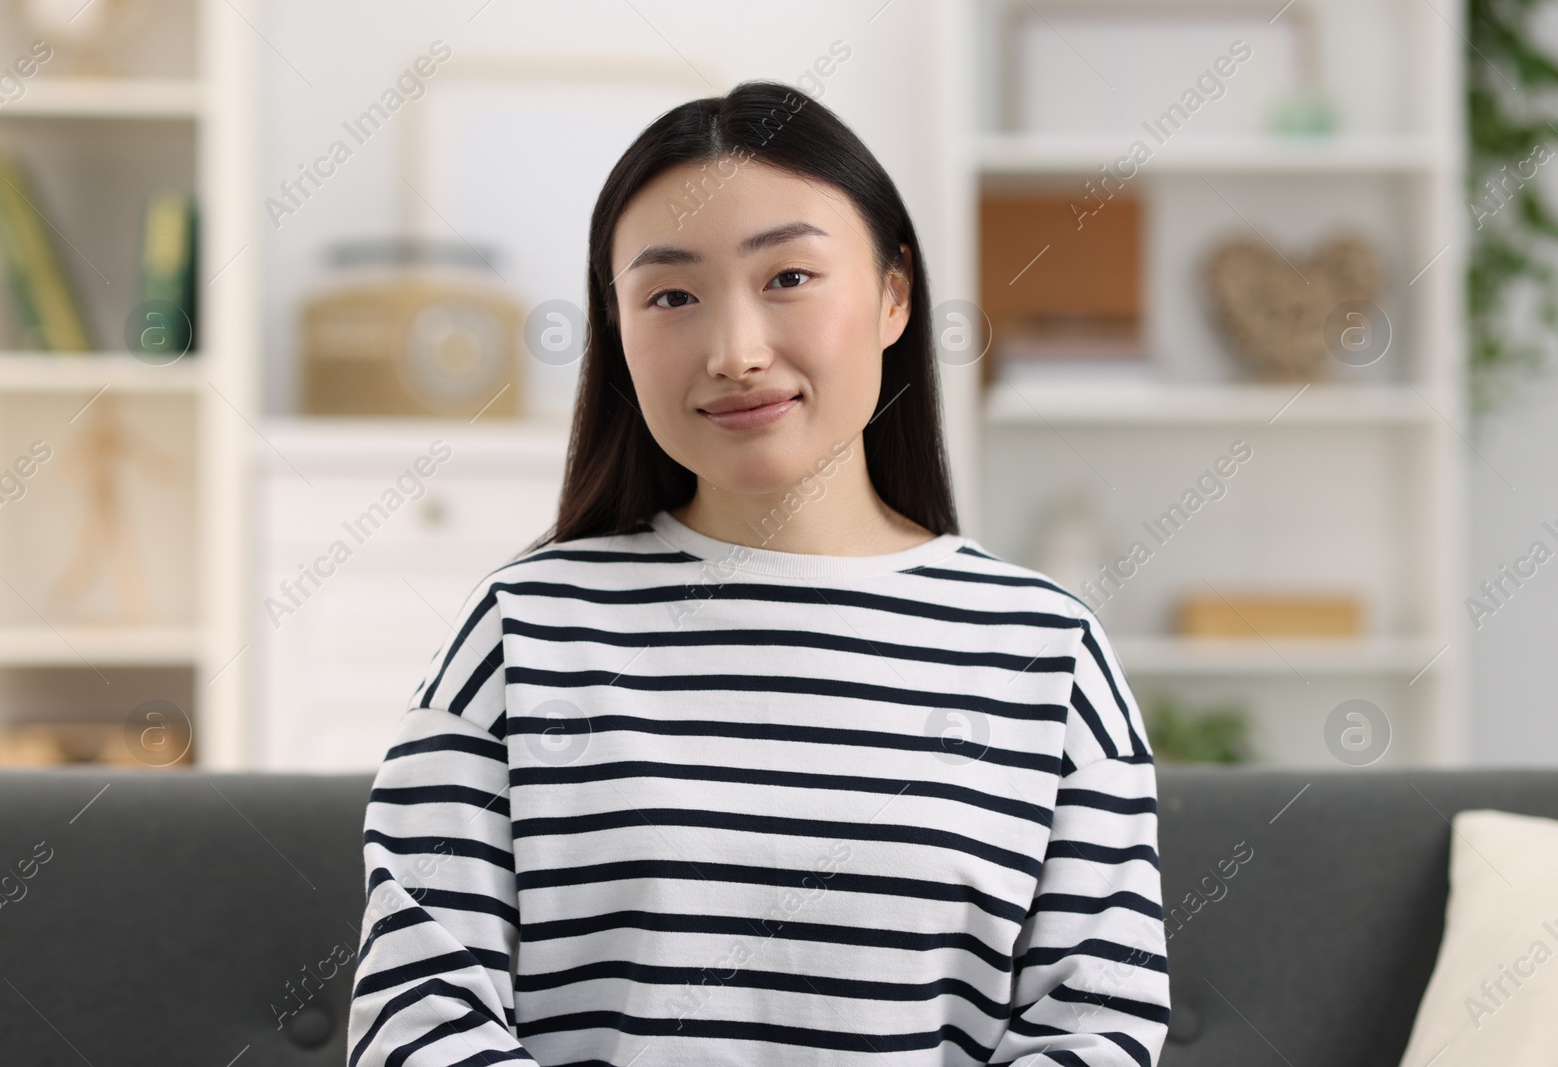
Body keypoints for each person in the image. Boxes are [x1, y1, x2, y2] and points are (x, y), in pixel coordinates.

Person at [346, 79, 1169, 1066]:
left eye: (788, 277)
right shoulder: (522, 633)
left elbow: (1097, 1031)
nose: (735, 351)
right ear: (616, 331)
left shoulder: (1046, 652)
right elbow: (420, 1025)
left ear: (895, 293)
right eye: (671, 295)